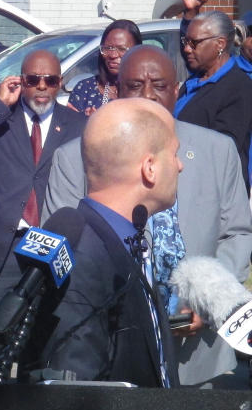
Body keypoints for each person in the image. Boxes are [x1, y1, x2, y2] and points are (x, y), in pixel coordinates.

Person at [43, 45, 252, 386]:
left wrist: (209, 297)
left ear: (176, 89)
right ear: (117, 91)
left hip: (197, 353)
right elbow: (68, 255)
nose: (149, 96)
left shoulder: (218, 150)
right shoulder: (77, 156)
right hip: (116, 353)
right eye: (135, 86)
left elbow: (238, 233)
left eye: (159, 85)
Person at [0, 49, 86, 410]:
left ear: (60, 84)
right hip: (0, 241)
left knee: (41, 337)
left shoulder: (76, 126)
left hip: (49, 243)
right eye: (32, 80)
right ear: (19, 81)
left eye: (50, 81)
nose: (41, 88)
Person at [29, 99, 182, 386]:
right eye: (174, 154)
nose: (180, 165)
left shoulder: (127, 240)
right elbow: (73, 395)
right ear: (150, 167)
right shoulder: (82, 255)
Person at [175, 10, 252, 188]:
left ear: (220, 44)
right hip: (185, 182)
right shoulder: (195, 78)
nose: (187, 48)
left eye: (194, 43)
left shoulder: (239, 87)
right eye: (186, 42)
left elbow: (223, 147)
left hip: (214, 192)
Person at [67, 19, 142, 115]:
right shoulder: (85, 89)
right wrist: (87, 123)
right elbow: (69, 127)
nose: (113, 55)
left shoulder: (147, 91)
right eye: (108, 48)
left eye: (122, 49)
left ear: (137, 51)